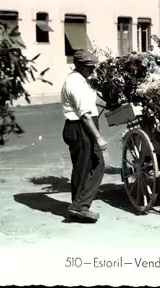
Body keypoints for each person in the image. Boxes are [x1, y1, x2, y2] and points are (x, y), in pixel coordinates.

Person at [60, 49, 108, 223]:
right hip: (80, 127)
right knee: (87, 167)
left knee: (92, 165)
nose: (93, 70)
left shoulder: (81, 79)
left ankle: (79, 206)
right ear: (79, 65)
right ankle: (79, 206)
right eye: (90, 67)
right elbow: (84, 114)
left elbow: (89, 102)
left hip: (83, 126)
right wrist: (99, 137)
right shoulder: (76, 83)